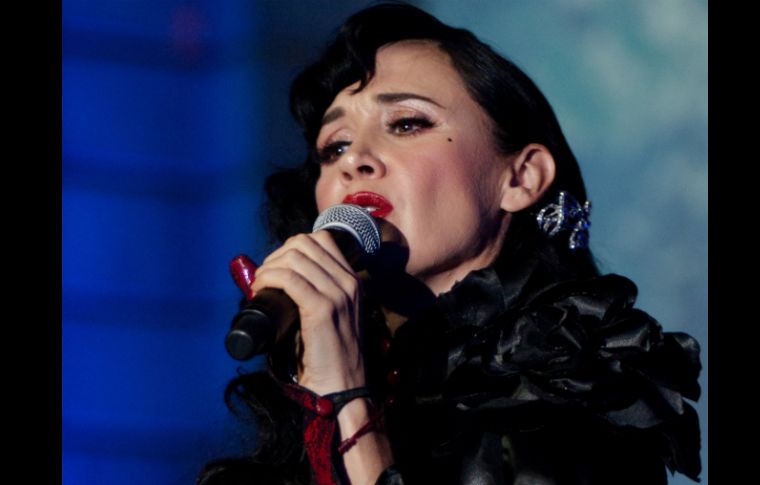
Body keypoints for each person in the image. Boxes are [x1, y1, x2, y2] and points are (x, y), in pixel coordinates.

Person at [197, 3, 701, 484]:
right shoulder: (350, 375)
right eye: (335, 147)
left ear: (521, 177)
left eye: (407, 123)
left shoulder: (584, 380)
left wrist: (346, 400)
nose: (353, 160)